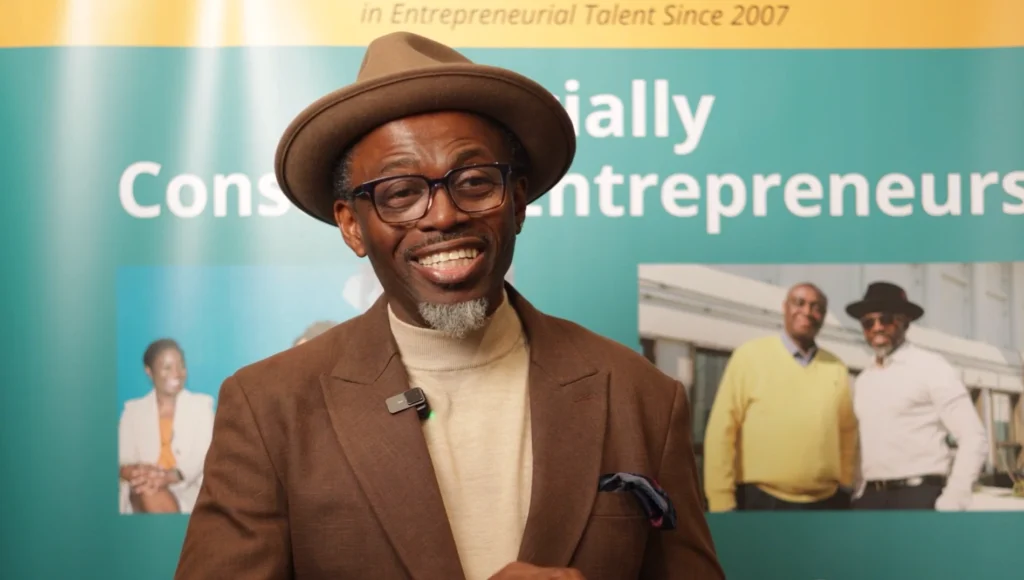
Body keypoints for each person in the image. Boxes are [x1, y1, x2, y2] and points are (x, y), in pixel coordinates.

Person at [174, 32, 723, 580]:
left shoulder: (643, 397)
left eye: (475, 182)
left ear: (519, 202)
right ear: (351, 225)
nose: (442, 216)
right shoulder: (269, 409)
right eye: (400, 193)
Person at [702, 283, 858, 512]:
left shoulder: (835, 367)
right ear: (785, 308)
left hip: (826, 503)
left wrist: (845, 484)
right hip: (762, 501)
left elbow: (847, 432)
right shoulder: (749, 357)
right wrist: (721, 501)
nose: (807, 311)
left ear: (823, 316)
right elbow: (721, 431)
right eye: (799, 302)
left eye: (817, 307)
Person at [846, 282, 988, 511]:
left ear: (904, 321)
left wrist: (954, 499)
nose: (877, 327)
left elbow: (973, 436)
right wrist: (857, 493)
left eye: (885, 319)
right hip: (870, 500)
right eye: (868, 323)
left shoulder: (931, 367)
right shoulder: (863, 381)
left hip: (918, 497)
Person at [118, 338, 215, 514]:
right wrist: (141, 474)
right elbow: (122, 460)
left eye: (181, 366)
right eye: (167, 367)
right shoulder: (132, 411)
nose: (177, 373)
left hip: (188, 491)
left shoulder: (202, 406)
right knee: (147, 491)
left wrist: (168, 477)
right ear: (149, 371)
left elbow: (204, 456)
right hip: (143, 489)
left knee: (150, 493)